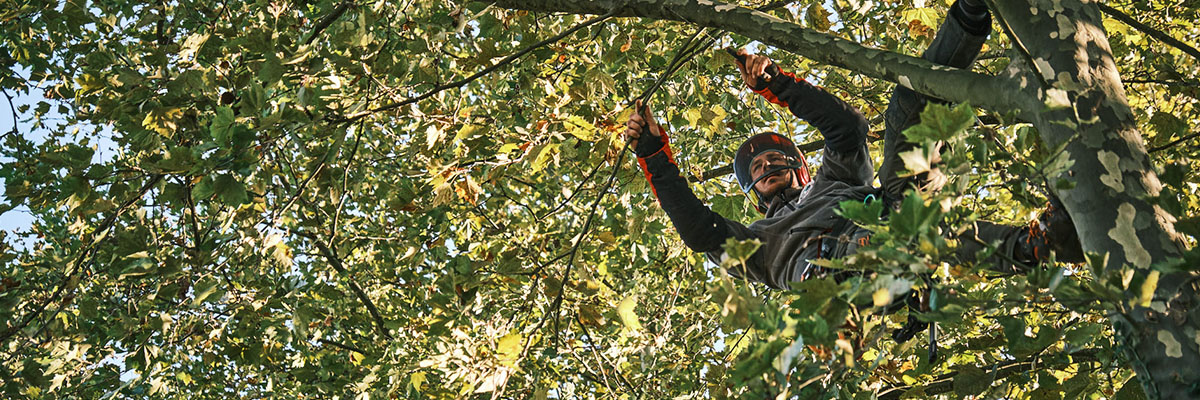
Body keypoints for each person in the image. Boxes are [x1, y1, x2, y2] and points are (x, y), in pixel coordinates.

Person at [622, 0, 1083, 291]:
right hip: (833, 281)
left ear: (801, 168)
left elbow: (845, 128)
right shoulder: (756, 246)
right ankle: (1026, 248)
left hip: (893, 222)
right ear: (752, 193)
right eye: (756, 167)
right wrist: (653, 155)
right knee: (893, 241)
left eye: (773, 157)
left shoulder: (835, 181)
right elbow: (700, 230)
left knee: (907, 109)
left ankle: (970, 15)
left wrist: (776, 83)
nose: (763, 164)